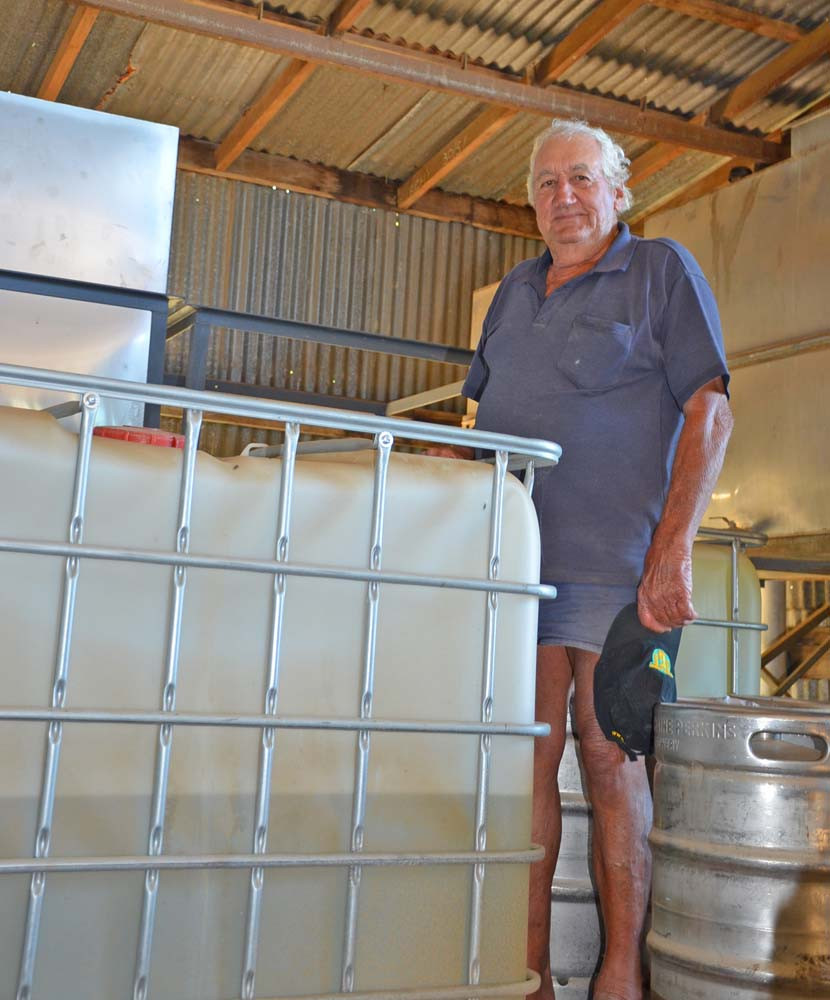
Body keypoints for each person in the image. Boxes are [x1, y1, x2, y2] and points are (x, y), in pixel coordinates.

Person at [435, 119, 733, 1000]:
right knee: (522, 765)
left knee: (614, 766)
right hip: (518, 577)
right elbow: (476, 434)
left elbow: (708, 413)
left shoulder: (660, 271)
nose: (563, 197)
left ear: (619, 189)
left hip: (626, 579)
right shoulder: (512, 293)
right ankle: (529, 977)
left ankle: (620, 973)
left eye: (580, 179)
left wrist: (671, 553)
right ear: (531, 202)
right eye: (546, 184)